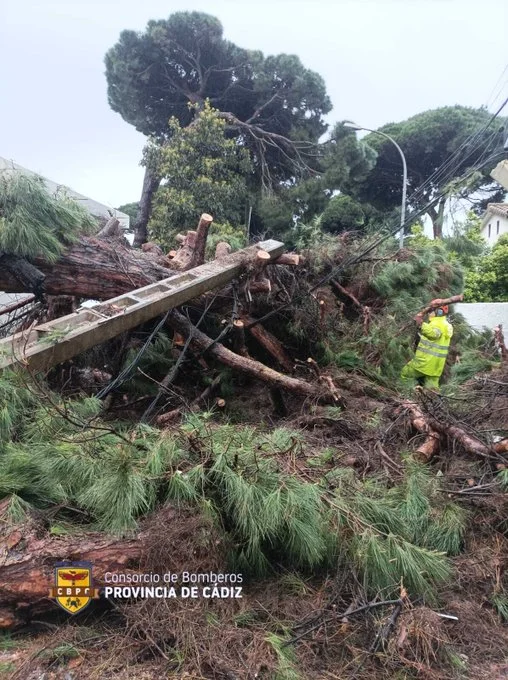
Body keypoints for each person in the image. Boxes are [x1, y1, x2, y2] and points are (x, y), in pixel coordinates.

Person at [401, 304, 453, 390]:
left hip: (424, 363)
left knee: (405, 375)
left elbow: (434, 334)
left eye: (431, 311)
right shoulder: (446, 325)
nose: (429, 313)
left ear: (438, 312)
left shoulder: (437, 324)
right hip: (436, 367)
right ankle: (431, 402)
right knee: (432, 391)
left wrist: (421, 324)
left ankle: (410, 396)